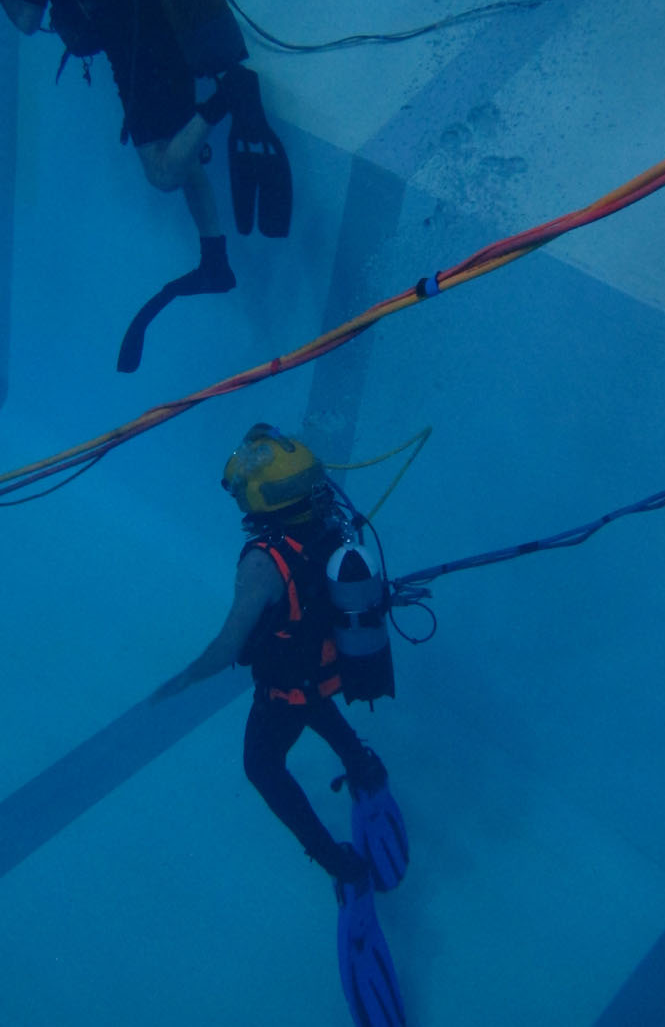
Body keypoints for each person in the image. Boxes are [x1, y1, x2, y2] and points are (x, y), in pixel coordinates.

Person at [0, 0, 292, 372]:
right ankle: (214, 256)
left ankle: (229, 97)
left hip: (138, 56)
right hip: (172, 31)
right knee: (179, 151)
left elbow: (28, 20)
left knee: (162, 171)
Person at [152, 423, 408, 1027]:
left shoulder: (263, 562)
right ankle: (365, 768)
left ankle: (342, 866)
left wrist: (183, 678)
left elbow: (230, 643)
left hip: (287, 684)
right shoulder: (333, 523)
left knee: (262, 766)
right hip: (326, 668)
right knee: (312, 702)